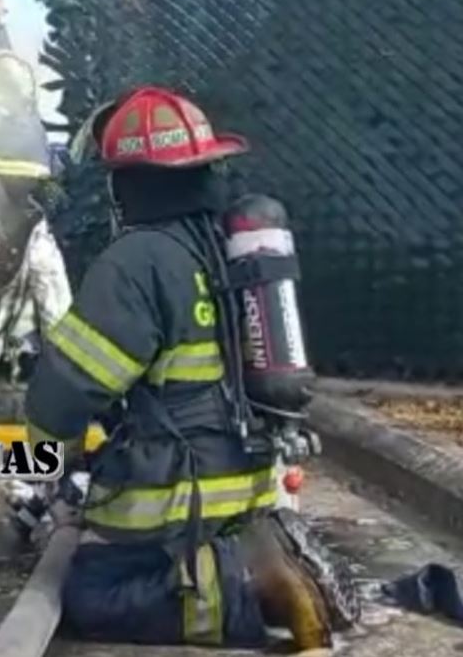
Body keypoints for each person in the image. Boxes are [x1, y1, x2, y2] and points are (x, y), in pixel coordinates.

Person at [23, 85, 341, 651]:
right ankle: (249, 552)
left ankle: (243, 587)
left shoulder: (137, 261)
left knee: (89, 590)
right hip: (250, 487)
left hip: (180, 496)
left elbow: (63, 394)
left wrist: (53, 452)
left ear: (129, 181)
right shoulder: (234, 249)